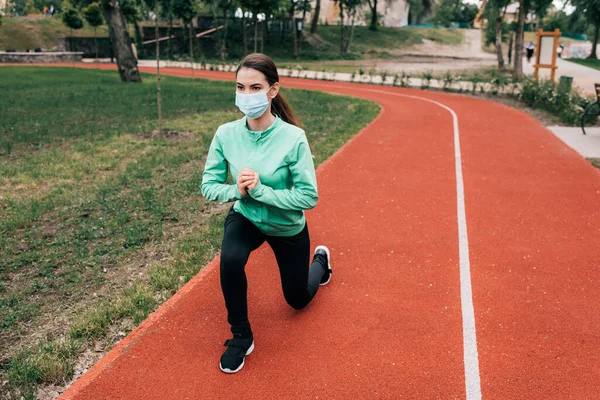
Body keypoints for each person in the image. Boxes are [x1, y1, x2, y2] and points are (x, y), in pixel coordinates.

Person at [201, 53, 333, 374]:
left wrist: (261, 191)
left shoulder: (293, 138)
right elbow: (209, 186)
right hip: (246, 216)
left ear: (272, 91)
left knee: (297, 300)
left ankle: (320, 263)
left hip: (286, 225)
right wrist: (238, 192)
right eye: (240, 87)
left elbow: (307, 195)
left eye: (255, 87)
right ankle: (241, 336)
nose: (246, 96)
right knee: (230, 260)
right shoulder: (226, 134)